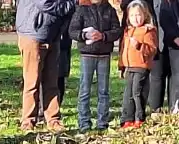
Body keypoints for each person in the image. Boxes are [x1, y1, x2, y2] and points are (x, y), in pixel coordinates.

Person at [15, 0, 78, 131]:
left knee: (52, 81)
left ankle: (53, 118)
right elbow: (45, 4)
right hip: (33, 32)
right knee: (32, 81)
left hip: (52, 34)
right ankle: (28, 120)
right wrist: (72, 4)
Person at [70, 0, 122, 131]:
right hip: (87, 54)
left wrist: (103, 36)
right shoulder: (82, 9)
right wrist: (84, 35)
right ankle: (84, 122)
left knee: (103, 91)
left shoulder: (109, 10)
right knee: (84, 90)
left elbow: (117, 30)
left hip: (104, 54)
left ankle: (102, 122)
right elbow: (72, 30)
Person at [118, 1, 157, 129]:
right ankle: (126, 119)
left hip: (141, 66)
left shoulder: (148, 31)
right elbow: (123, 49)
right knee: (128, 94)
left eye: (138, 15)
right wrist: (121, 66)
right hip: (129, 66)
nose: (136, 18)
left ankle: (139, 117)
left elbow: (152, 49)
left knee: (137, 92)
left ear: (144, 15)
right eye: (133, 16)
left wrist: (140, 46)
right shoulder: (127, 31)